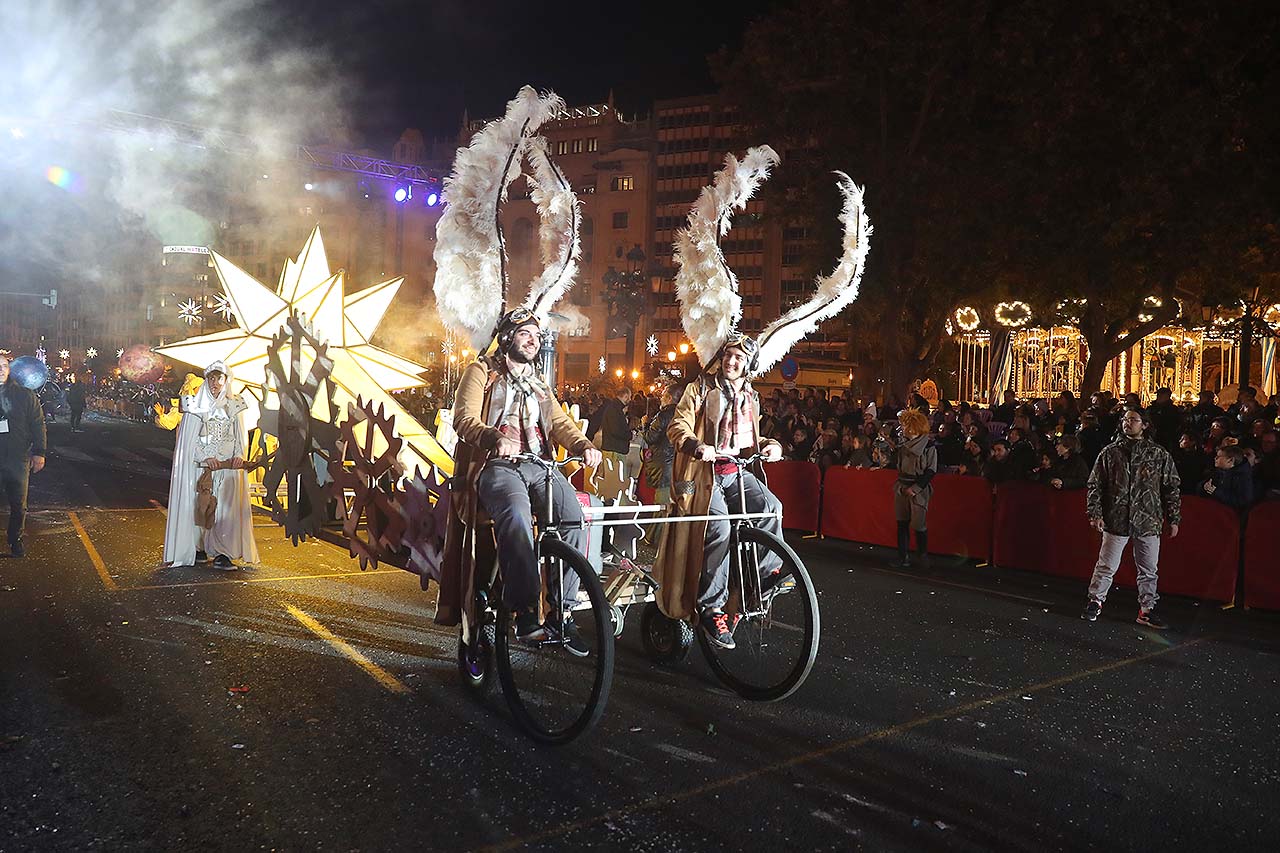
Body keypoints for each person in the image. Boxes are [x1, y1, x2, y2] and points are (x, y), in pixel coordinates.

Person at [444, 309, 603, 648]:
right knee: (516, 517)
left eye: (536, 335)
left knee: (574, 518)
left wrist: (584, 445)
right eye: (525, 334)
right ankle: (527, 611)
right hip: (498, 466)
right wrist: (492, 437)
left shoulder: (538, 382)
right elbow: (463, 418)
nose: (534, 340)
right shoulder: (481, 372)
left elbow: (561, 424)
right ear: (506, 339)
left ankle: (562, 612)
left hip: (540, 465)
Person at [656, 334, 785, 650]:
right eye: (728, 356)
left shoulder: (749, 397)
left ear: (748, 366)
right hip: (704, 475)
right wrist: (697, 446)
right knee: (721, 527)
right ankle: (712, 606)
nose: (732, 362)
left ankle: (763, 580)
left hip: (736, 472)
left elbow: (750, 442)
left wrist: (772, 447)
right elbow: (678, 426)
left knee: (771, 507)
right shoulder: (700, 389)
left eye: (739, 358)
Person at [1081, 410, 1180, 628]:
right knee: (1106, 565)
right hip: (1117, 518)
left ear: (1144, 425)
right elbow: (1095, 484)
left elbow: (1171, 487)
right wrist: (1095, 513)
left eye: (1133, 420)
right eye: (1125, 420)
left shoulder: (1158, 454)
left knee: (1148, 569)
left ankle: (1147, 609)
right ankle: (1095, 601)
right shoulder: (1110, 453)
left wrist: (1173, 518)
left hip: (1148, 519)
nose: (1128, 423)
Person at [163, 362, 259, 570]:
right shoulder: (195, 406)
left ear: (226, 381)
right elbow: (189, 440)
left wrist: (238, 456)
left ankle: (223, 553)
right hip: (202, 470)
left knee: (225, 510)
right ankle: (199, 548)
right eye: (212, 379)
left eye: (219, 378)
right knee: (201, 508)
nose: (215, 383)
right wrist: (205, 458)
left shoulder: (235, 406)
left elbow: (240, 437)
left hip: (227, 470)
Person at [0, 355, 47, 557]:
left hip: (17, 459)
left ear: (10, 369)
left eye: (4, 366)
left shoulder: (25, 395)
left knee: (19, 504)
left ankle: (15, 539)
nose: (1, 369)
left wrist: (39, 452)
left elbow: (38, 424)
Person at [891, 408, 936, 567]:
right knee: (901, 522)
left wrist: (916, 488)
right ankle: (902, 557)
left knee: (918, 524)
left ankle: (922, 556)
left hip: (918, 489)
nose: (902, 428)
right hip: (902, 485)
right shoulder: (903, 445)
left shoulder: (928, 447)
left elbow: (931, 470)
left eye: (905, 425)